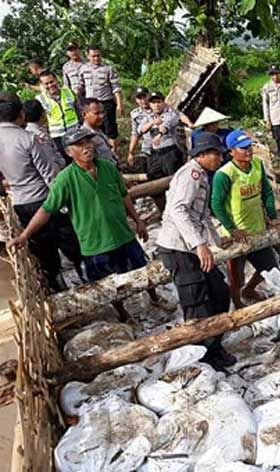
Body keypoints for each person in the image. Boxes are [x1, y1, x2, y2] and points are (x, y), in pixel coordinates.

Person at [7, 127, 166, 318]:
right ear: (68, 152)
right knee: (109, 285)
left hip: (123, 234)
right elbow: (47, 210)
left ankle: (155, 297)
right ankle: (123, 313)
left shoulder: (108, 167)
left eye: (88, 142)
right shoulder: (65, 179)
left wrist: (138, 221)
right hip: (95, 243)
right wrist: (25, 235)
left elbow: (124, 195)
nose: (86, 147)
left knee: (143, 271)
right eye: (79, 145)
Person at [156, 132, 233, 368]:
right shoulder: (191, 175)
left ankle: (214, 346)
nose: (220, 159)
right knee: (197, 302)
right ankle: (205, 355)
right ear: (202, 155)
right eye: (216, 154)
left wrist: (217, 241)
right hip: (178, 248)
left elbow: (201, 216)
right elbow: (178, 210)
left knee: (219, 292)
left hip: (190, 246)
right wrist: (199, 245)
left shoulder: (203, 176)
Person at [0, 92, 82, 291]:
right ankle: (87, 278)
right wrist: (64, 204)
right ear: (21, 114)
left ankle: (55, 288)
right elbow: (50, 176)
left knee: (43, 251)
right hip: (45, 201)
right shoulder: (28, 139)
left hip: (21, 203)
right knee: (71, 244)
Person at [211, 130, 280, 308]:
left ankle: (249, 289)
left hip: (257, 228)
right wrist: (232, 229)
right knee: (236, 275)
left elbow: (266, 191)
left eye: (249, 147)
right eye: (243, 149)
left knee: (270, 268)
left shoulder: (257, 164)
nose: (248, 151)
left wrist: (272, 216)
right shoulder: (225, 174)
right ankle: (236, 302)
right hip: (236, 234)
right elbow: (217, 205)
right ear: (232, 152)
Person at [78, 45, 123, 149]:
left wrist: (119, 105)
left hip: (106, 103)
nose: (96, 58)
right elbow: (80, 86)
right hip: (90, 105)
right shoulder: (83, 68)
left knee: (110, 130)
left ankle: (113, 154)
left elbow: (116, 87)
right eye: (93, 56)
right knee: (92, 129)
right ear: (88, 56)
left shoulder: (108, 69)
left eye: (98, 56)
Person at [140, 91, 185, 181]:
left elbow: (166, 125)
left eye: (158, 102)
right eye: (153, 103)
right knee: (152, 176)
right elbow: (141, 129)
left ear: (163, 103)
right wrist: (152, 122)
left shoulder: (171, 114)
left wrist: (159, 135)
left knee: (173, 178)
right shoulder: (148, 117)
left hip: (170, 152)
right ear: (150, 104)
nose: (156, 105)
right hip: (155, 153)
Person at [36, 70, 80, 161]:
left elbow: (78, 109)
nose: (50, 85)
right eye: (46, 83)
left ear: (56, 80)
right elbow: (41, 121)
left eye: (52, 82)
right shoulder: (40, 99)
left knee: (80, 158)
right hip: (57, 137)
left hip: (74, 132)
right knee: (66, 162)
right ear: (42, 85)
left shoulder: (68, 92)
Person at [22, 99, 65, 170]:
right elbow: (51, 159)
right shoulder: (39, 135)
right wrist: (61, 163)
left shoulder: (27, 132)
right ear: (42, 113)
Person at [81, 98, 118, 165]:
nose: (102, 116)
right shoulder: (84, 137)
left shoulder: (98, 131)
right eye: (97, 113)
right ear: (84, 115)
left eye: (102, 112)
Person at [126, 86, 152, 167]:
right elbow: (135, 134)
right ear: (136, 100)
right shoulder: (135, 114)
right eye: (140, 98)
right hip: (147, 149)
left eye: (145, 97)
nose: (143, 100)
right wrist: (131, 152)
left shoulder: (158, 107)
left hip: (164, 147)